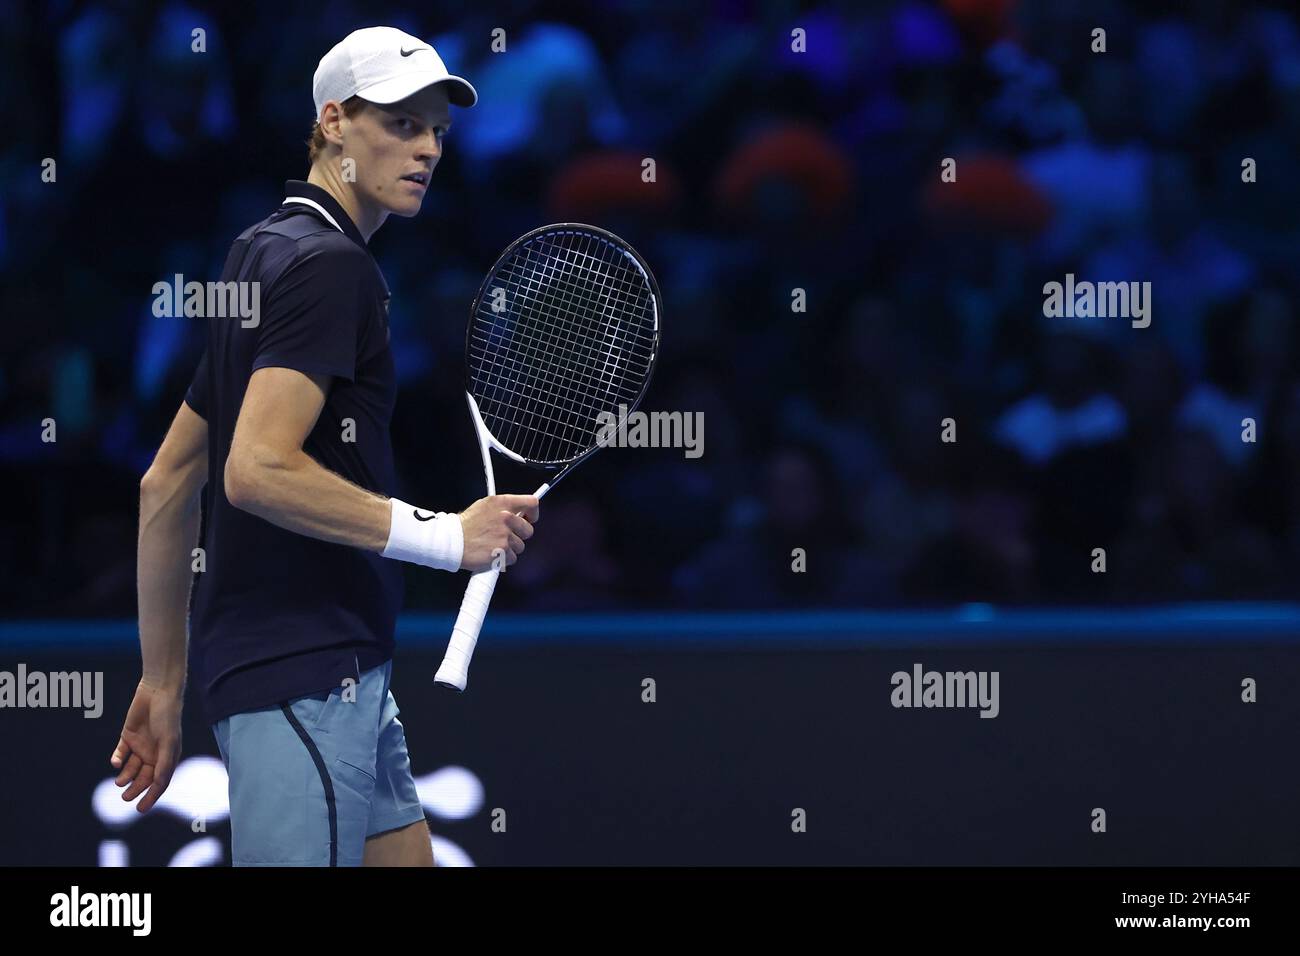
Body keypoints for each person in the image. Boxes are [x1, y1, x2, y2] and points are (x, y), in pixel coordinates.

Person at [110, 26, 539, 867]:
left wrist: (163, 682)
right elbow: (256, 471)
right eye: (402, 124)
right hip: (303, 672)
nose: (426, 149)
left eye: (436, 133)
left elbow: (166, 481)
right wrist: (448, 538)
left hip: (334, 676)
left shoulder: (260, 251)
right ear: (335, 121)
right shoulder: (331, 269)